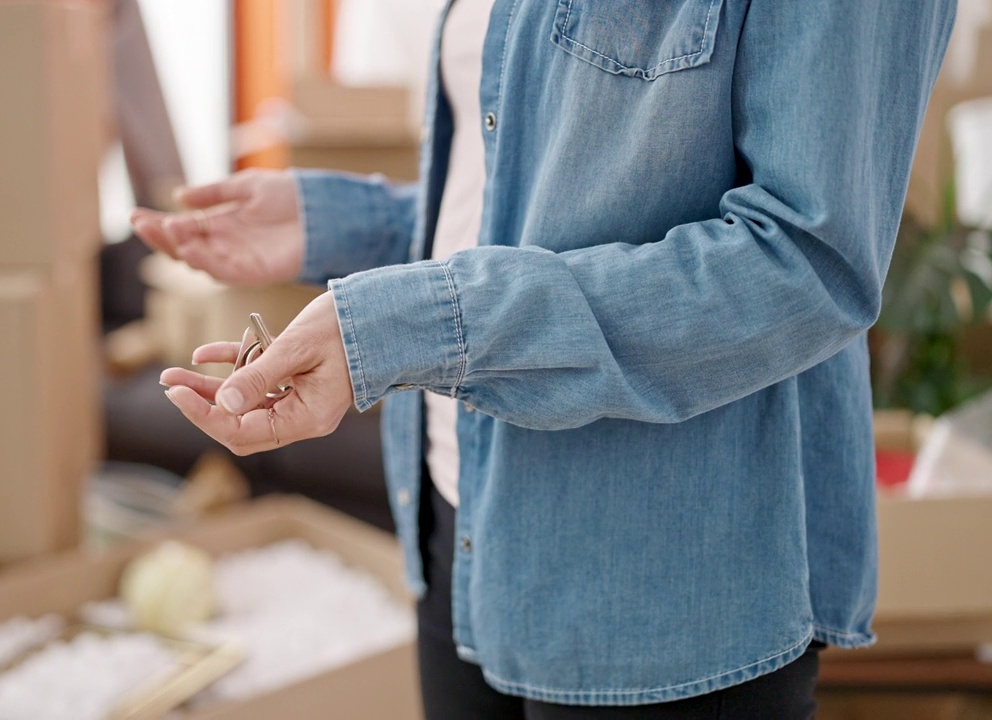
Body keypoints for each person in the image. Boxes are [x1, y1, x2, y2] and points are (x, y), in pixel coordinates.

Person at [131, 2, 957, 718]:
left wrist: (413, 325)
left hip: (659, 589)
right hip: (459, 524)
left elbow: (805, 264)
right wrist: (343, 224)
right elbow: (537, 194)